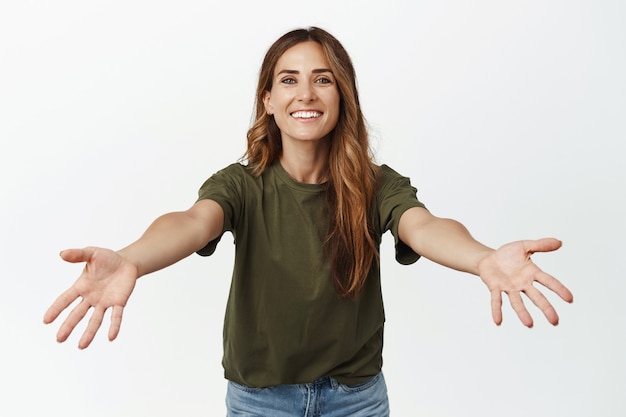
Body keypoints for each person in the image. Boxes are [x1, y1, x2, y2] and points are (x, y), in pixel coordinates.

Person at [43, 27, 574, 416]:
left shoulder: (375, 184)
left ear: (342, 96)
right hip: (260, 400)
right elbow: (191, 222)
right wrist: (132, 258)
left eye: (323, 79)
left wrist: (483, 258)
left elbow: (426, 227)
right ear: (268, 100)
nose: (306, 93)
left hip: (356, 399)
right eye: (289, 80)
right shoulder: (241, 184)